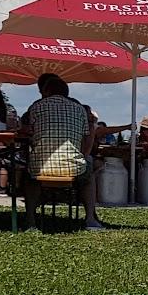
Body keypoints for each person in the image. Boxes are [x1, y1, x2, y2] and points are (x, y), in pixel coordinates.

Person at [23, 77, 103, 231]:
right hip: (73, 169)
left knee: (29, 177)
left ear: (46, 91)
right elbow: (86, 137)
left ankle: (30, 220)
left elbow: (29, 130)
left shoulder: (36, 107)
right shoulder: (79, 109)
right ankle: (90, 219)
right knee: (89, 170)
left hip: (40, 168)